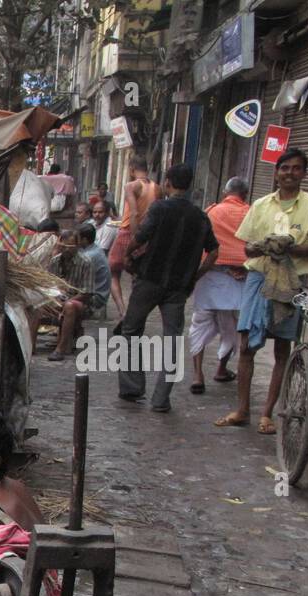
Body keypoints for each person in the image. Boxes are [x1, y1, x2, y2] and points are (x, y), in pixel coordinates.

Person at [216, 148, 308, 433]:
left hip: (292, 281)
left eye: (296, 168)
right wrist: (260, 246)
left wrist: (289, 245)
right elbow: (247, 246)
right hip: (258, 277)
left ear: (304, 173)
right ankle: (242, 410)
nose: (289, 173)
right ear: (277, 172)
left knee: (282, 347)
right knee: (247, 345)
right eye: (284, 168)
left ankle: (267, 413)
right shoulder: (261, 205)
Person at [117, 163, 219, 412]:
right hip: (178, 286)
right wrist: (197, 274)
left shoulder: (160, 208)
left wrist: (128, 256)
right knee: (172, 339)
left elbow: (140, 236)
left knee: (131, 331)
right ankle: (161, 399)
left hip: (149, 278)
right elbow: (214, 250)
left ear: (168, 182)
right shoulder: (200, 216)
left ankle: (132, 388)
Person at [188, 177, 251, 394]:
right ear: (245, 195)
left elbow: (199, 243)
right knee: (232, 328)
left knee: (199, 323)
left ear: (225, 193)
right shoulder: (251, 212)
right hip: (239, 279)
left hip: (209, 276)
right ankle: (221, 369)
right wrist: (243, 267)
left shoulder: (212, 211)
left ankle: (197, 375)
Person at [41, 223, 111, 362]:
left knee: (70, 306)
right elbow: (49, 284)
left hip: (80, 301)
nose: (66, 250)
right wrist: (54, 298)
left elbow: (87, 293)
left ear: (78, 246)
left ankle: (60, 349)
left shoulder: (86, 262)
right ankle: (30, 348)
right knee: (36, 306)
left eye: (70, 247)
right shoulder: (55, 261)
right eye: (64, 246)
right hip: (59, 298)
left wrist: (66, 301)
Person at [109, 157, 160, 320]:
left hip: (129, 233)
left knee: (113, 272)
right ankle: (134, 311)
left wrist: (134, 238)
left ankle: (123, 311)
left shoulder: (131, 186)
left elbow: (134, 212)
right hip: (147, 235)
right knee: (137, 274)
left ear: (131, 169)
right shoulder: (157, 188)